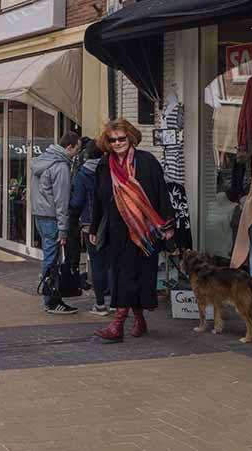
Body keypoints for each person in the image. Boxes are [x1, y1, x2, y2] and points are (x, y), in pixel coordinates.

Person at [90, 118, 175, 342]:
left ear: (130, 137)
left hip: (144, 230)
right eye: (112, 139)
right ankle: (136, 320)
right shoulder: (104, 166)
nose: (117, 143)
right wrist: (93, 226)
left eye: (121, 138)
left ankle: (119, 325)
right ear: (107, 142)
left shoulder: (146, 161)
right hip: (117, 231)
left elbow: (161, 193)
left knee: (133, 276)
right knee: (124, 275)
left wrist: (167, 225)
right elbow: (98, 199)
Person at [31, 130, 83, 315]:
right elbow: (61, 200)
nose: (77, 154)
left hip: (40, 215)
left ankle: (50, 296)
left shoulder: (42, 160)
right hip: (52, 218)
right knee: (52, 260)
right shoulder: (60, 167)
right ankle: (51, 300)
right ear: (69, 147)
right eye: (77, 149)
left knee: (49, 256)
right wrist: (63, 228)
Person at [71, 140, 110, 315]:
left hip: (89, 223)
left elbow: (78, 201)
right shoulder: (111, 169)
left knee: (96, 262)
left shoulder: (83, 173)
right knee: (113, 263)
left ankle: (100, 304)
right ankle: (117, 303)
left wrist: (73, 215)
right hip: (112, 221)